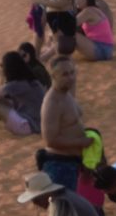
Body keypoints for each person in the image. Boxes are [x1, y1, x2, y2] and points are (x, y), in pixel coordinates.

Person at [35, 56, 89, 192]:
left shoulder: (67, 93)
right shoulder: (52, 103)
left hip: (73, 164)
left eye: (72, 72)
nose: (71, 77)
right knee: (64, 209)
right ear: (53, 76)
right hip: (59, 165)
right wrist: (81, 142)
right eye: (65, 74)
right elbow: (50, 140)